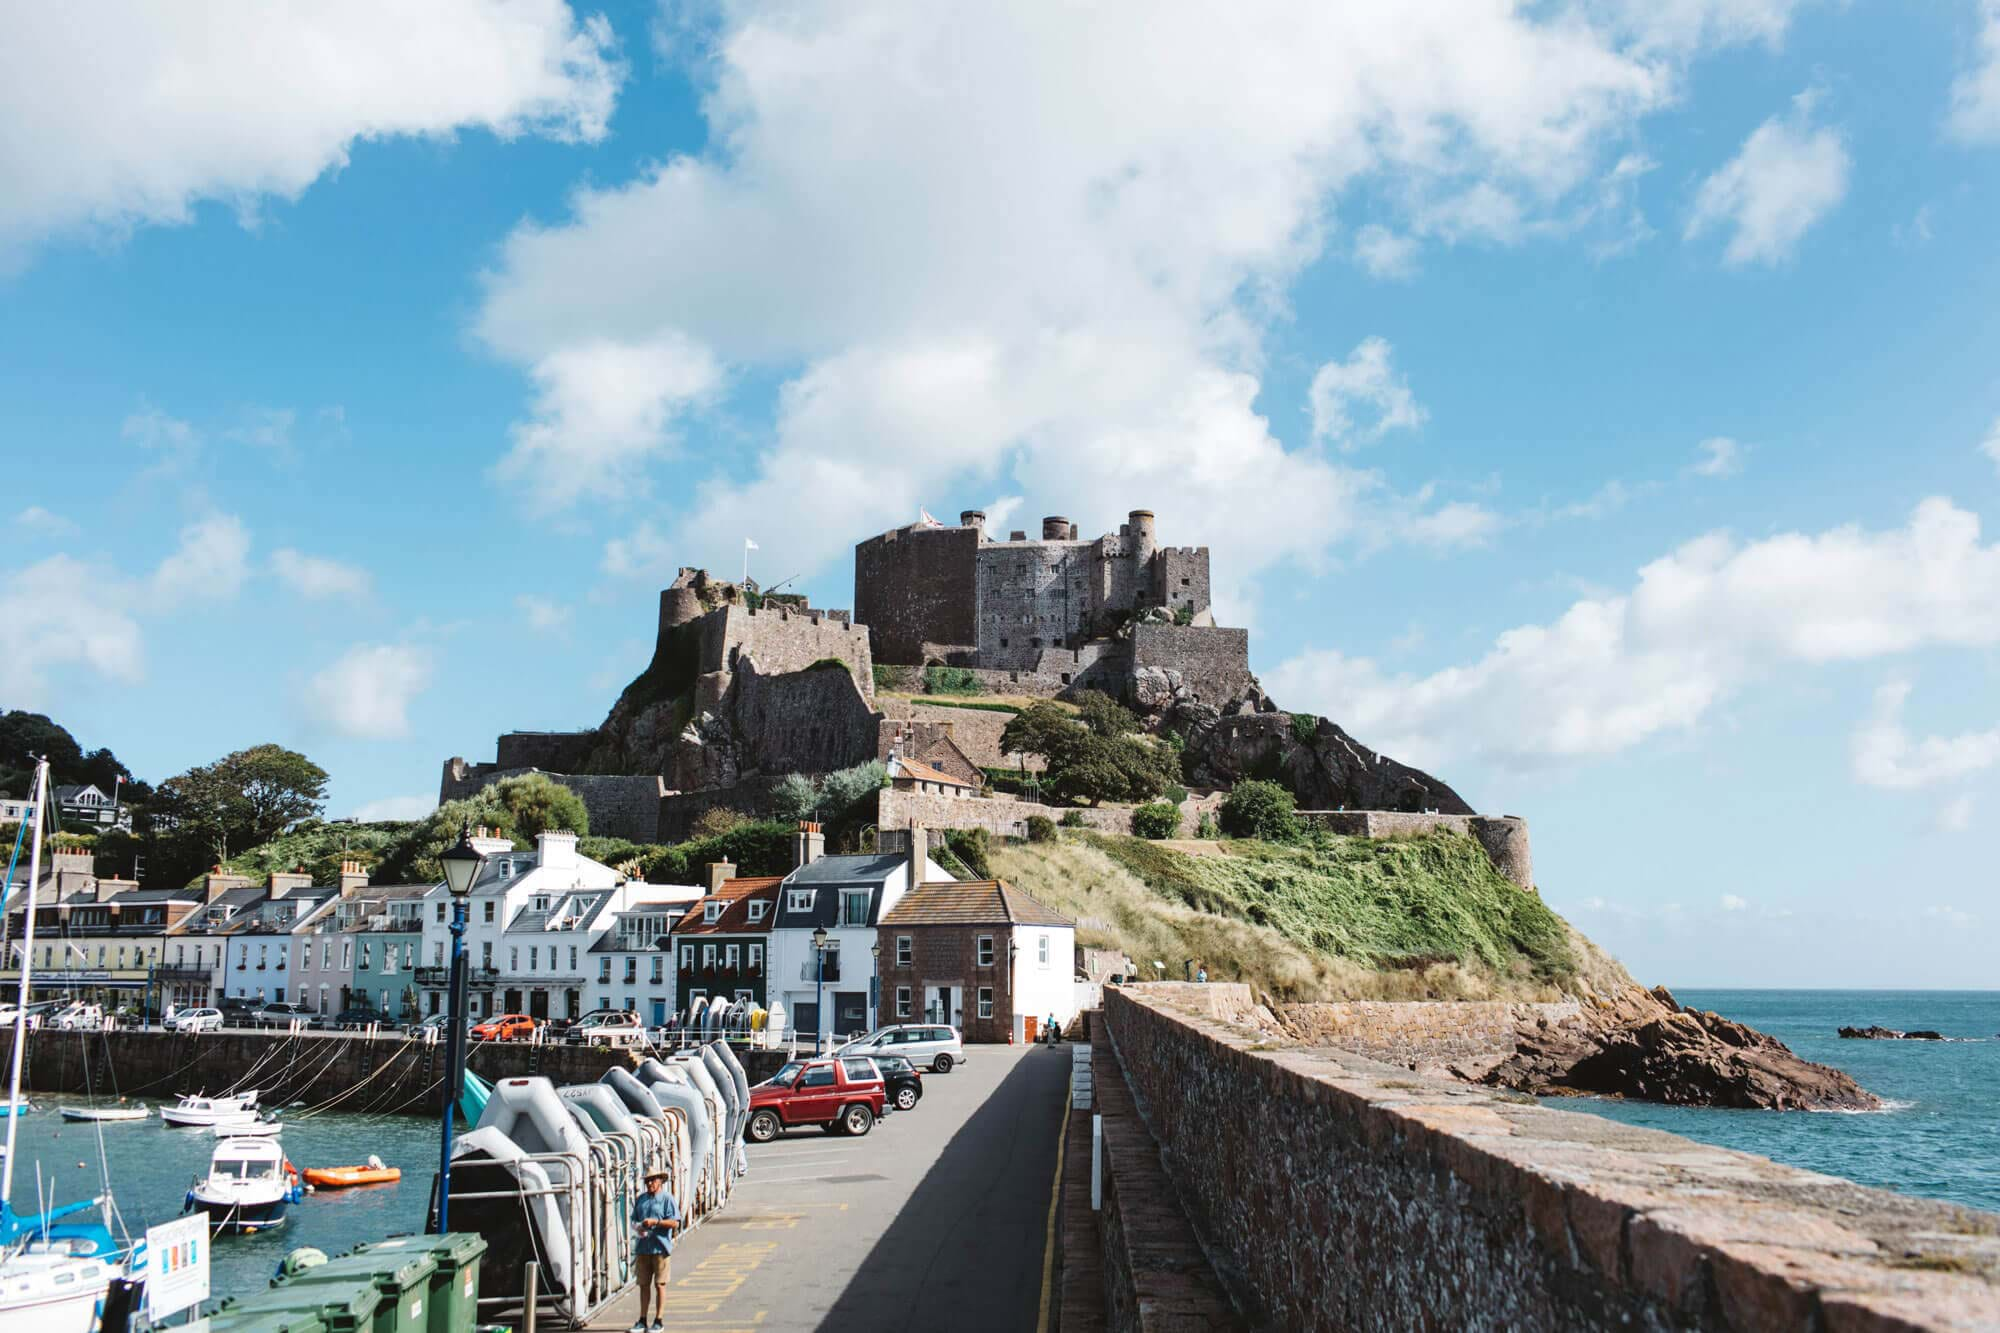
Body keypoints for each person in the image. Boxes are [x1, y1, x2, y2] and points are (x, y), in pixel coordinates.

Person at [630, 1168, 680, 1332]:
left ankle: (658, 1320)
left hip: (660, 1248)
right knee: (644, 1285)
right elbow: (634, 1221)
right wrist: (638, 1227)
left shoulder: (667, 1199)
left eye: (653, 1180)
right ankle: (642, 1320)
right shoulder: (641, 1199)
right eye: (647, 1181)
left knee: (660, 1285)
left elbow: (674, 1222)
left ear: (660, 1181)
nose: (649, 1183)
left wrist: (656, 1222)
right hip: (643, 1248)